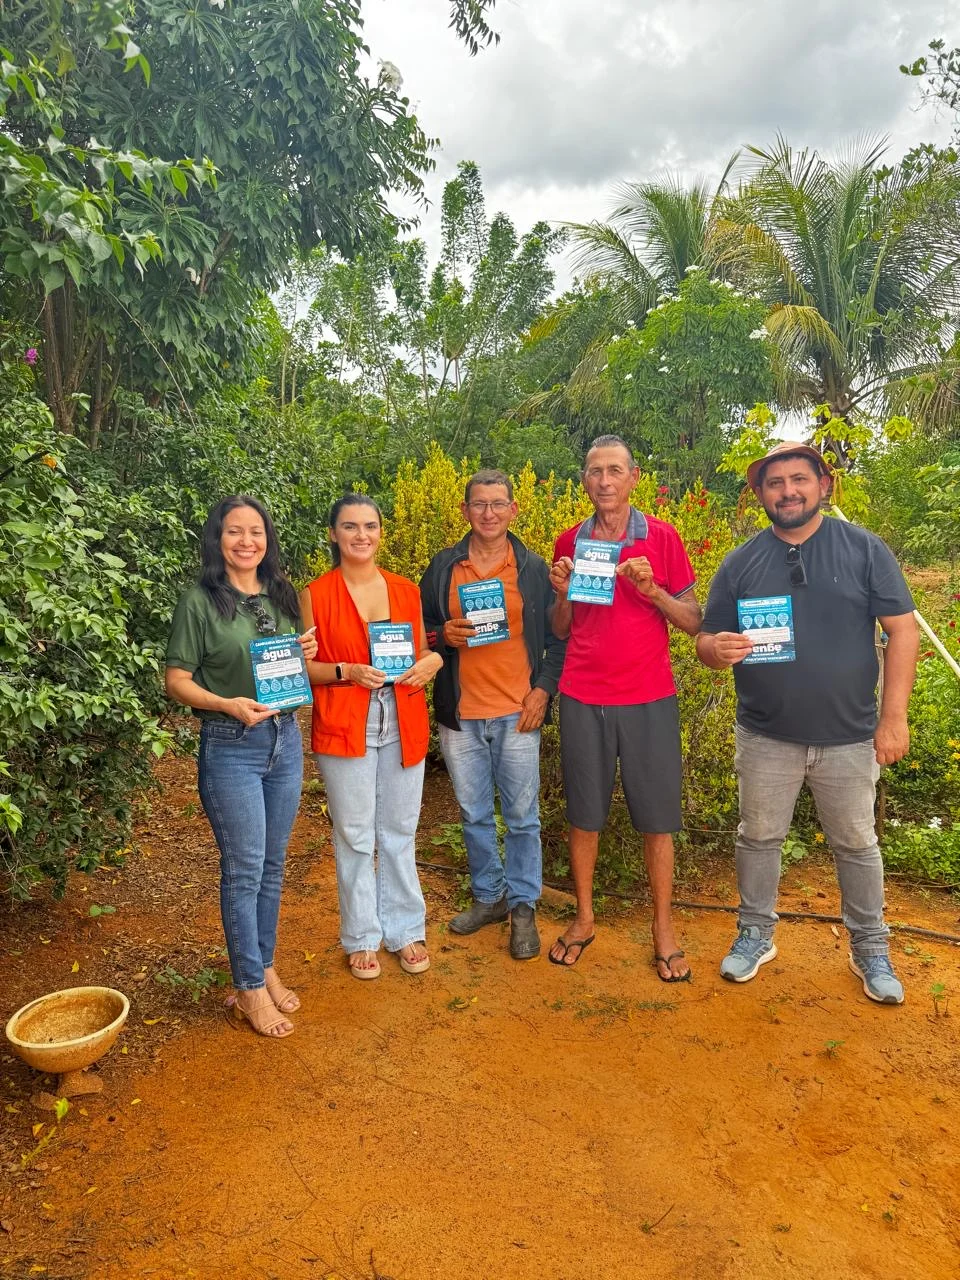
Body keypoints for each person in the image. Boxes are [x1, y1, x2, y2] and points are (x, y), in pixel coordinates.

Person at [696, 441, 919, 1004]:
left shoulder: (865, 549)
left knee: (856, 843)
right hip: (767, 733)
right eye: (775, 483)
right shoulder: (741, 561)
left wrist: (893, 719)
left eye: (799, 479)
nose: (787, 491)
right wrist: (715, 648)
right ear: (760, 495)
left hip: (849, 736)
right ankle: (755, 933)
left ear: (824, 486)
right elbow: (705, 637)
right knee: (758, 837)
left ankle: (870, 947)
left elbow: (903, 631)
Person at [165, 496, 318, 1039]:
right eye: (235, 532)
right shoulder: (199, 602)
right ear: (218, 539)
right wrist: (226, 704)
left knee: (273, 866)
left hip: (284, 738)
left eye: (256, 531)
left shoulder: (282, 595)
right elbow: (177, 679)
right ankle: (248, 989)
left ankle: (264, 965)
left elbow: (292, 664)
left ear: (267, 539)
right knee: (245, 867)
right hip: (232, 742)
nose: (246, 541)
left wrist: (304, 650)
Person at [548, 436, 701, 976]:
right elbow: (561, 630)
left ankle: (663, 928)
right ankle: (585, 917)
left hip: (649, 696)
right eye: (595, 472)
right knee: (584, 813)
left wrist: (654, 590)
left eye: (615, 471)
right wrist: (562, 592)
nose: (605, 481)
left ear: (635, 477)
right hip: (583, 696)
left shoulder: (662, 537)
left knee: (658, 820)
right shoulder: (572, 540)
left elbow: (694, 622)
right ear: (585, 480)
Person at [419, 469, 566, 960]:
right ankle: (490, 897)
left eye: (497, 504)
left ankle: (523, 904)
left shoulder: (532, 569)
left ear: (512, 510)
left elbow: (556, 640)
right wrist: (445, 637)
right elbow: (422, 632)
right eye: (479, 504)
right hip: (460, 712)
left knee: (523, 818)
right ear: (465, 511)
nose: (488, 513)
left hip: (517, 711)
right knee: (474, 814)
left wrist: (542, 692)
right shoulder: (443, 567)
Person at [300, 494, 443, 980]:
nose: (361, 535)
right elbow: (304, 670)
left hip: (401, 718)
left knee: (400, 832)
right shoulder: (316, 593)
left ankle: (405, 929)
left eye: (370, 526)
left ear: (381, 532)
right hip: (346, 721)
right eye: (350, 526)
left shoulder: (405, 590)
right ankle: (361, 935)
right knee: (355, 834)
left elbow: (423, 652)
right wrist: (345, 669)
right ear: (333, 534)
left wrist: (431, 663)